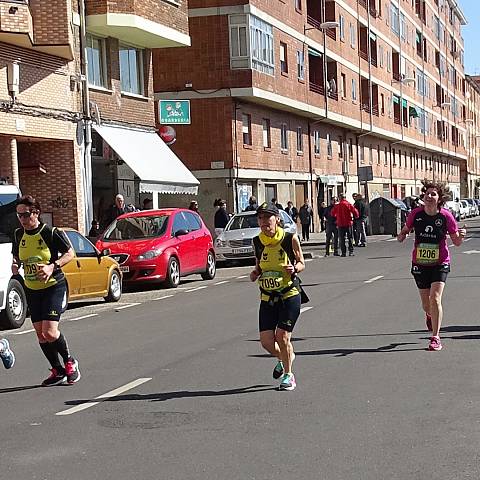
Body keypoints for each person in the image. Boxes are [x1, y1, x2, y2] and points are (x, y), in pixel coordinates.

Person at [12, 195, 81, 386]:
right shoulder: (18, 235)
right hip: (33, 289)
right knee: (40, 334)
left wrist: (52, 266)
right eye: (19, 216)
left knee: (50, 332)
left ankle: (70, 362)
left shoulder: (50, 232)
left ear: (36, 213)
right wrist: (15, 265)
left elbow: (70, 253)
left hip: (54, 286)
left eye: (25, 215)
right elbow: (17, 256)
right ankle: (57, 371)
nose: (22, 220)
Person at [397, 181, 466, 351]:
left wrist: (462, 235)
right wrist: (402, 235)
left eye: (433, 194)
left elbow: (456, 242)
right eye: (427, 193)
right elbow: (405, 230)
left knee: (435, 298)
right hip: (420, 263)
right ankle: (429, 314)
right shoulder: (415, 214)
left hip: (440, 262)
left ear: (439, 199)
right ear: (423, 196)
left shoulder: (446, 216)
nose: (429, 196)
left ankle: (435, 337)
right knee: (426, 304)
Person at [250, 202, 305, 391]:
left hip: (289, 294)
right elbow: (258, 265)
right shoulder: (257, 242)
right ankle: (285, 357)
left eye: (268, 217)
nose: (264, 221)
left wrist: (294, 268)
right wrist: (255, 273)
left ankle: (289, 376)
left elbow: (301, 262)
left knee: (282, 336)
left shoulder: (289, 239)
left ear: (277, 219)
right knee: (266, 342)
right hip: (267, 297)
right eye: (260, 218)